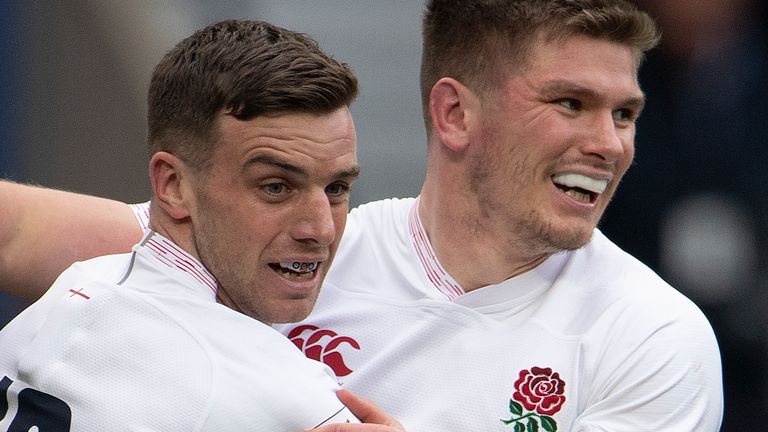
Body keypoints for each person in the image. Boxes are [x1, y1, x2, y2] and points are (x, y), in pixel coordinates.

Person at [0, 1, 723, 430]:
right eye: (571, 104)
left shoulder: (652, 337)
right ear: (454, 112)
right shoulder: (295, 247)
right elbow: (20, 231)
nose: (608, 144)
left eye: (624, 113)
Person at [0, 19, 404, 432]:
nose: (320, 229)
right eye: (277, 187)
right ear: (173, 186)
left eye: (336, 187)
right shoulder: (277, 390)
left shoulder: (68, 293)